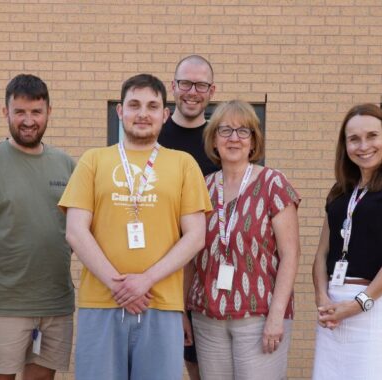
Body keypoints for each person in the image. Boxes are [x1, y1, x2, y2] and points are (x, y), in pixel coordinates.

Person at [59, 73, 212, 380]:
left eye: (153, 106)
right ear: (120, 111)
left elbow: (196, 236)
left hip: (161, 303)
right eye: (134, 105)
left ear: (165, 115)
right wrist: (119, 286)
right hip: (101, 301)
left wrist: (145, 281)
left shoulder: (183, 164)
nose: (143, 113)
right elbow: (75, 230)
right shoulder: (93, 160)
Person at [0, 74, 75, 380]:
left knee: (42, 377)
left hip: (55, 300)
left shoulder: (66, 165)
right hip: (3, 301)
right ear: (6, 112)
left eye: (36, 112)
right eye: (20, 112)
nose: (29, 121)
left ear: (49, 112)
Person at [187, 100, 300, 380]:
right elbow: (189, 254)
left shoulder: (273, 183)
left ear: (254, 141)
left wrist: (276, 316)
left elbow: (291, 255)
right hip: (207, 317)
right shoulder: (202, 187)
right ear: (214, 140)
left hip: (260, 315)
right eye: (225, 130)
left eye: (243, 131)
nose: (234, 138)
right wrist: (181, 310)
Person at [312, 104, 382, 380]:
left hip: (375, 307)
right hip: (332, 309)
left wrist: (359, 304)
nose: (363, 145)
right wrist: (322, 298)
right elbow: (322, 253)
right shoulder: (340, 191)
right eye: (353, 138)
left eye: (372, 136)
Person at [158, 54, 217, 380]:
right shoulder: (155, 136)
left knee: (201, 365)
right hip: (159, 268)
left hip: (209, 271)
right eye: (185, 83)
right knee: (160, 363)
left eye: (200, 85)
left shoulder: (221, 141)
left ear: (212, 90)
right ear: (173, 87)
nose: (192, 92)